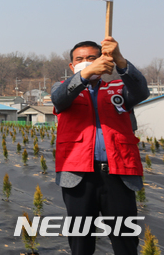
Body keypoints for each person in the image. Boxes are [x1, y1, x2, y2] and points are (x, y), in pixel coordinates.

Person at [51, 38, 149, 255]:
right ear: (71, 66)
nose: (85, 62)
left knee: (125, 239)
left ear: (105, 61)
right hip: (78, 176)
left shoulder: (118, 88)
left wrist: (120, 60)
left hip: (118, 174)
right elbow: (59, 98)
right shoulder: (63, 88)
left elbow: (142, 91)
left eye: (91, 58)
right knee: (80, 241)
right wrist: (85, 75)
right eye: (80, 59)